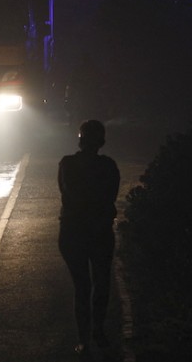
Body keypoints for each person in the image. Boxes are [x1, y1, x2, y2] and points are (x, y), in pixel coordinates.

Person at [57, 119, 121, 356]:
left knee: (82, 286)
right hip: (98, 230)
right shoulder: (108, 166)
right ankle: (98, 332)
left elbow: (65, 193)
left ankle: (85, 337)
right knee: (100, 283)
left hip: (73, 230)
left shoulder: (67, 164)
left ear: (80, 139)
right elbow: (110, 197)